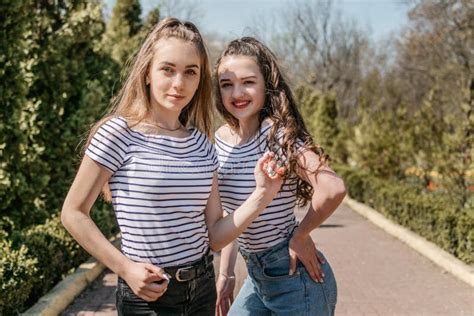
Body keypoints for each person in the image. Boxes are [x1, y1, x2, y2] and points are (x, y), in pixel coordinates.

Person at [61, 19, 284, 316]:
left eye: (190, 72)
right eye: (168, 69)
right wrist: (125, 268)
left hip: (201, 288)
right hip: (148, 295)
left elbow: (215, 234)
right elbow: (73, 213)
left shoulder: (202, 144)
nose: (179, 83)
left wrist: (260, 196)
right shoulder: (118, 133)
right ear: (148, 73)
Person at [214, 37, 347, 316]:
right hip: (257, 278)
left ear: (266, 85)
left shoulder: (275, 133)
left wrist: (301, 234)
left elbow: (332, 187)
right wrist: (226, 275)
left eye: (248, 82)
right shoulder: (221, 140)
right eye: (227, 84)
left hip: (295, 279)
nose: (237, 92)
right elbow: (233, 214)